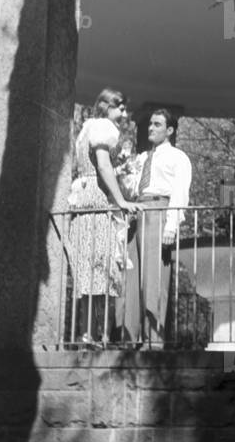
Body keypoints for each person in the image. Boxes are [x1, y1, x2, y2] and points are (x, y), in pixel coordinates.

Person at [67, 88, 140, 344]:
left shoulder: (87, 128)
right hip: (97, 200)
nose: (124, 113)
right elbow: (102, 164)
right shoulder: (102, 128)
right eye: (119, 106)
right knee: (104, 269)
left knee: (91, 271)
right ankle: (101, 334)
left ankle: (89, 333)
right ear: (105, 106)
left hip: (85, 199)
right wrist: (120, 200)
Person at [133, 108, 192, 348]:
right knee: (135, 278)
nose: (151, 128)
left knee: (155, 278)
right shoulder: (141, 158)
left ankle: (154, 341)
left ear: (169, 130)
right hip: (137, 212)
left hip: (159, 212)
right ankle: (133, 338)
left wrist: (171, 224)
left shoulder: (178, 157)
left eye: (157, 124)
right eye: (150, 124)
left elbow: (180, 191)